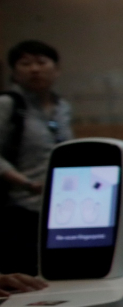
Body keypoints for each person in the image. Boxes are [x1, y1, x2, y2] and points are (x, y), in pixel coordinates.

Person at [0, 41, 72, 275]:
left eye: (41, 62)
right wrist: (25, 183)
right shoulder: (7, 105)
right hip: (18, 209)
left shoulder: (62, 107)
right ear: (14, 72)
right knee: (25, 273)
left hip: (59, 208)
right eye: (25, 63)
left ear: (56, 69)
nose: (34, 69)